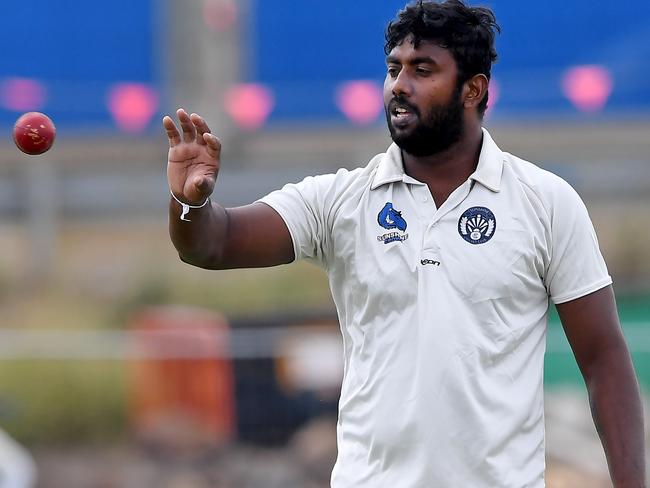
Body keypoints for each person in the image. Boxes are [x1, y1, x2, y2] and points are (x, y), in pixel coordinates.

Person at [163, 0, 646, 486]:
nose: (399, 85)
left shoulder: (545, 203)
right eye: (394, 68)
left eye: (423, 69)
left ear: (472, 90)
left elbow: (605, 362)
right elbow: (214, 244)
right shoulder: (341, 200)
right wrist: (190, 204)